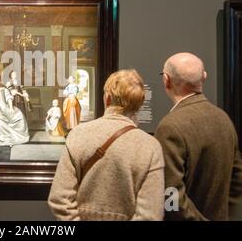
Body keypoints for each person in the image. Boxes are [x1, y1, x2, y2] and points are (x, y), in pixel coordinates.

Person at [48, 69, 165, 220]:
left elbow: (59, 200)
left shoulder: (78, 135)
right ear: (140, 103)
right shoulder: (150, 146)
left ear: (107, 98)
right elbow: (150, 215)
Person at [155, 52, 242, 221]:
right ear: (204, 77)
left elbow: (170, 197)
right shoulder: (223, 118)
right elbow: (239, 177)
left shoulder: (170, 127)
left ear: (166, 80)